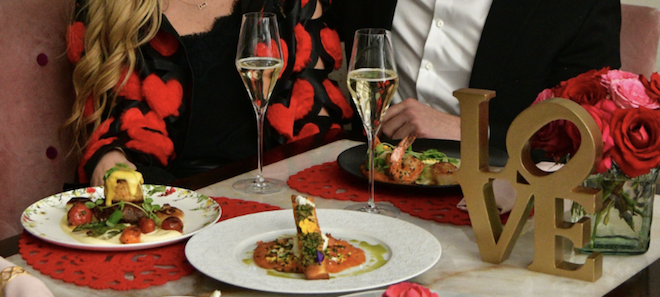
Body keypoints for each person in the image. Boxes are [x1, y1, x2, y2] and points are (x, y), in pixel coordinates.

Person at [62, 0, 358, 186]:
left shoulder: (290, 4)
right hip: (169, 201)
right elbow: (114, 123)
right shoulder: (111, 8)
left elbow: (317, 124)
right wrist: (110, 159)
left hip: (271, 193)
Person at [378, 0, 622, 153]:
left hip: (500, 191)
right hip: (369, 174)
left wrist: (465, 131)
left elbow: (584, 136)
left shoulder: (581, 6)